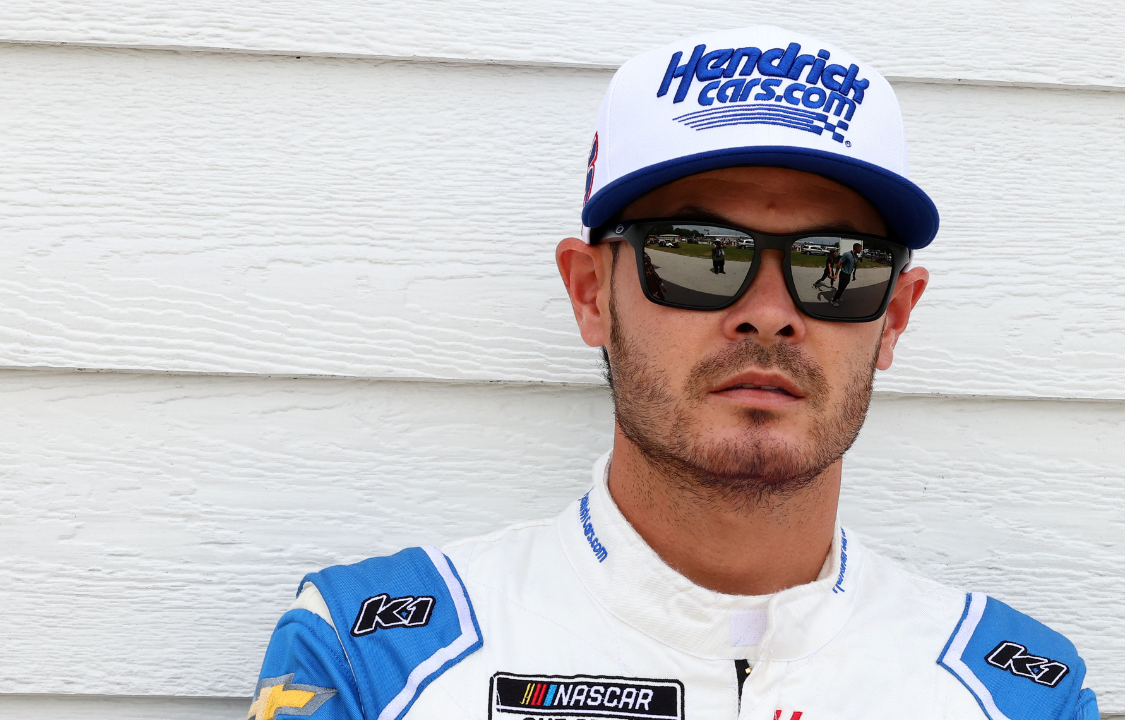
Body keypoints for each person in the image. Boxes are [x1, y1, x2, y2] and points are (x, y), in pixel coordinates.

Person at [246, 26, 1098, 720]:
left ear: (894, 317)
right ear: (590, 294)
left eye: (836, 263)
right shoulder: (374, 652)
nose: (770, 312)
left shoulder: (1021, 691)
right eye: (699, 255)